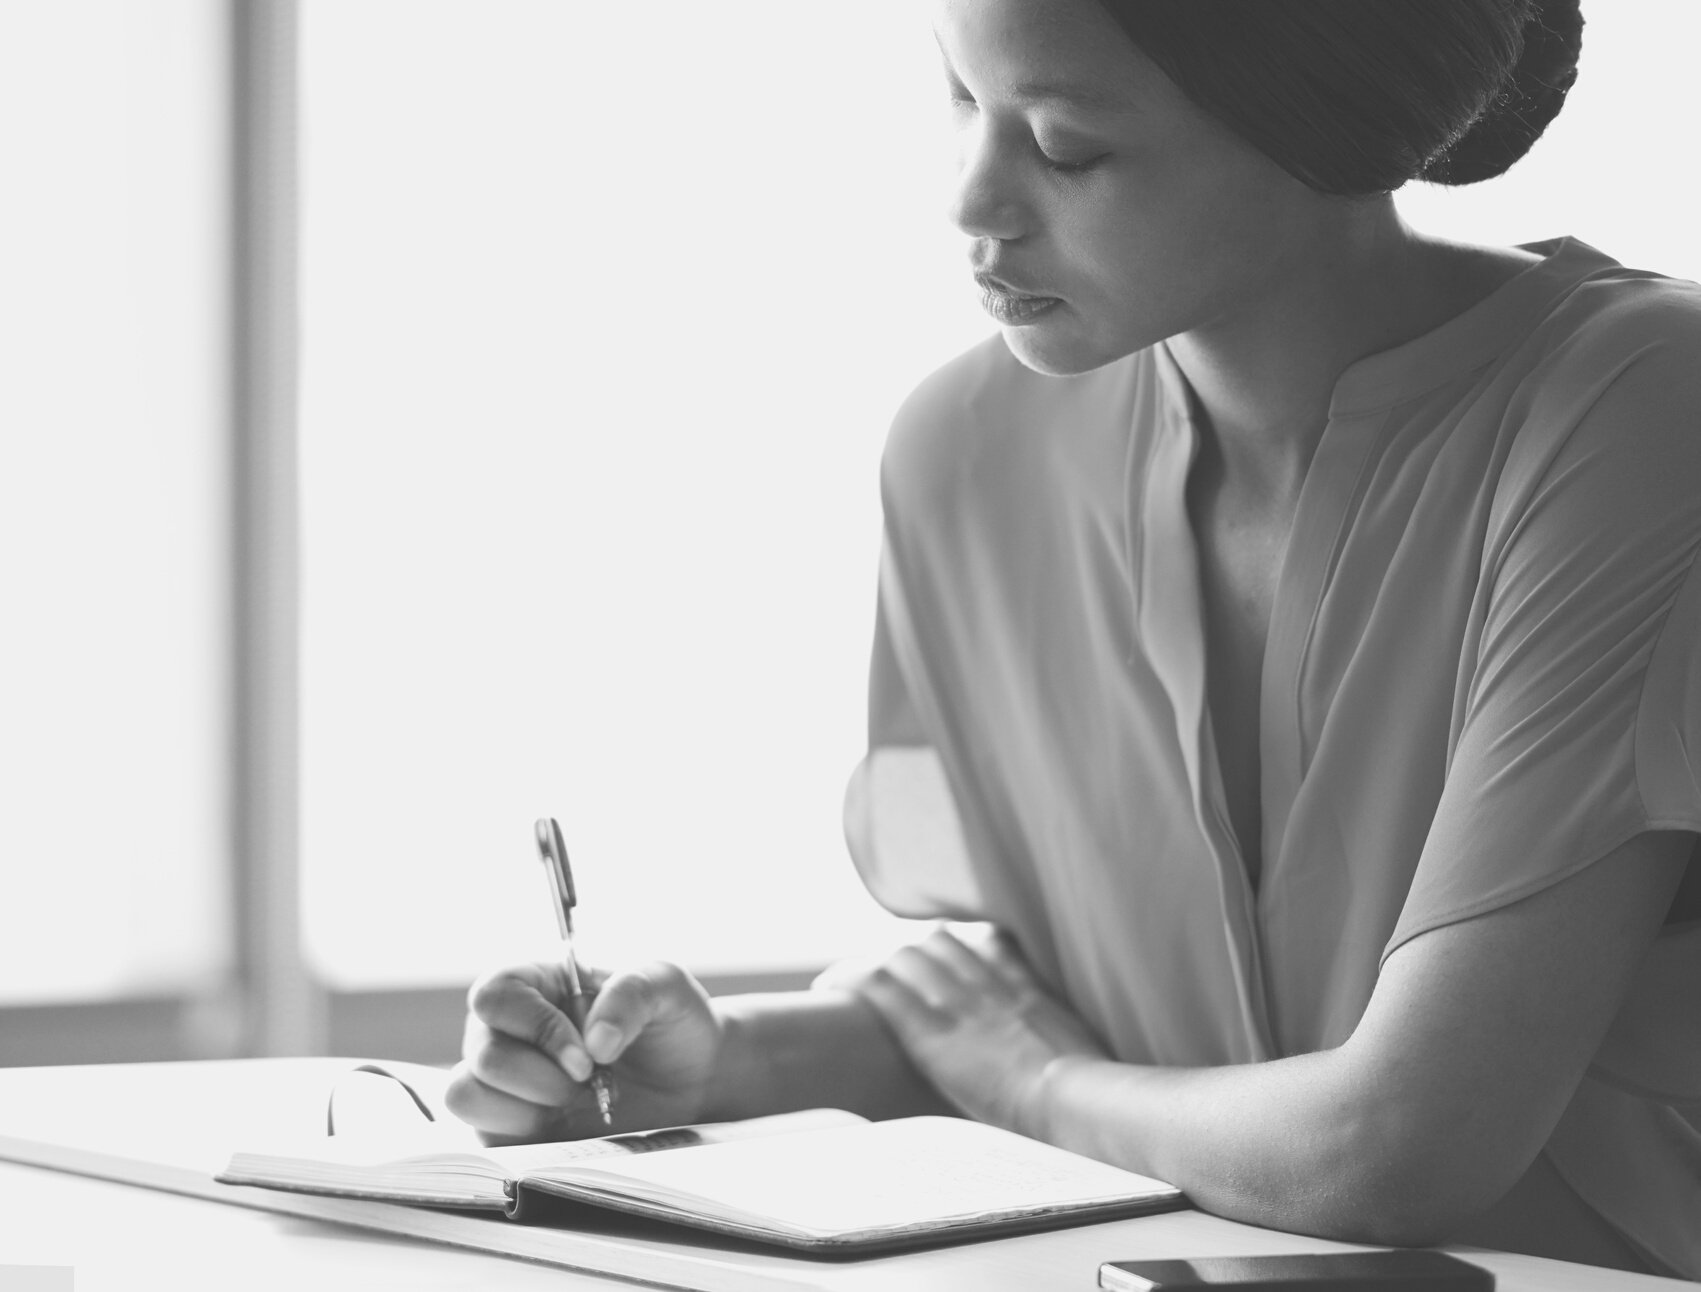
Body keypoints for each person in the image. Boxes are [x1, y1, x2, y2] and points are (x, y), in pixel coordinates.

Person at [446, 0, 1701, 1276]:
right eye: (957, 94)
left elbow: (1397, 1142)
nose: (970, 198)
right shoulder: (964, 454)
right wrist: (720, 1063)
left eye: (1064, 146)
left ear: (1320, 128)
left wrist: (1034, 1080)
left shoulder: (1636, 410)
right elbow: (1002, 1012)